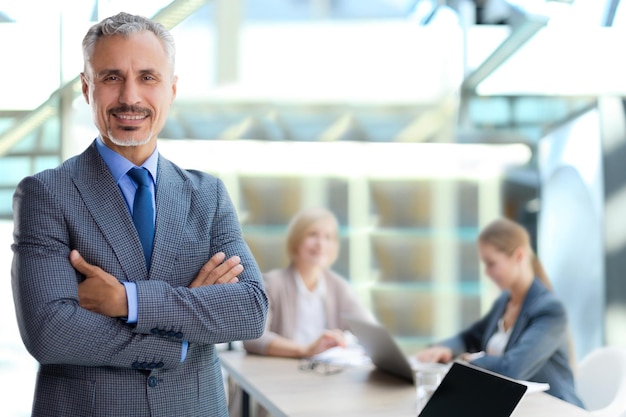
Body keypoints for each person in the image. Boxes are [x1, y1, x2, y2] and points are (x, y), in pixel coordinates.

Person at [11, 12, 268, 417]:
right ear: (86, 88)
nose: (130, 97)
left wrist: (127, 301)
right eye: (112, 77)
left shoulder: (208, 195)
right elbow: (51, 331)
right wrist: (180, 338)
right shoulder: (47, 194)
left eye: (148, 77)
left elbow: (251, 309)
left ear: (172, 89)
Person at [416, 217, 584, 408]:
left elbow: (513, 368)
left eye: (491, 263)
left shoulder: (550, 311)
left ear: (518, 256)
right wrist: (446, 348)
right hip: (512, 406)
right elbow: (471, 337)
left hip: (554, 409)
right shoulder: (504, 302)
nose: (486, 272)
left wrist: (473, 360)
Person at [228, 207, 374, 416]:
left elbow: (370, 330)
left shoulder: (338, 287)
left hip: (325, 384)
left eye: (328, 237)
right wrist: (306, 350)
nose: (320, 244)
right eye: (312, 235)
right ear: (296, 240)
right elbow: (253, 338)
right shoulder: (273, 283)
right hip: (280, 387)